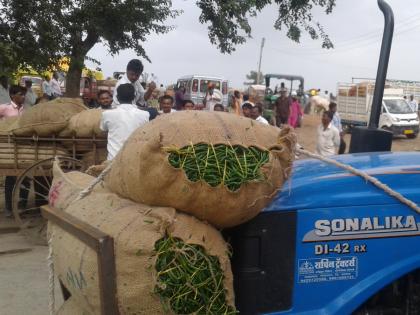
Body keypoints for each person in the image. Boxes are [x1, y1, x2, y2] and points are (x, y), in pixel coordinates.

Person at [100, 84, 150, 160]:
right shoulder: (145, 115)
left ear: (117, 98)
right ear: (134, 97)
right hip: (135, 159)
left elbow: (103, 129)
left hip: (113, 160)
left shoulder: (107, 114)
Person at [0, 85, 28, 217]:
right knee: (11, 178)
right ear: (12, 95)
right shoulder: (4, 108)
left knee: (26, 177)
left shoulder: (25, 111)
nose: (23, 97)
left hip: (23, 148)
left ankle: (22, 207)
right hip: (8, 147)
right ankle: (9, 208)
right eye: (20, 94)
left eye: (24, 95)